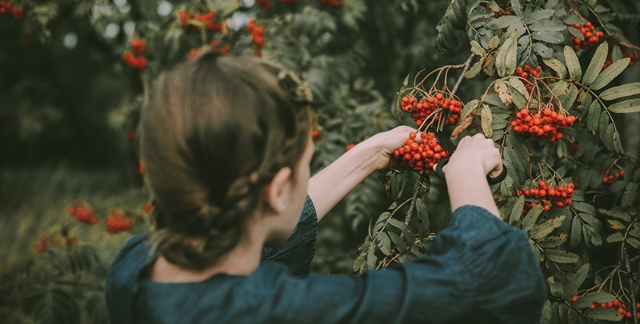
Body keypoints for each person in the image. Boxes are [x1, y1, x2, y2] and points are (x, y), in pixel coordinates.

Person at [106, 50, 546, 323]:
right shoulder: (288, 312)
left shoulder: (134, 269)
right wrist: (466, 173)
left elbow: (245, 230)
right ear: (277, 191)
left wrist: (371, 153)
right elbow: (498, 282)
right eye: (306, 165)